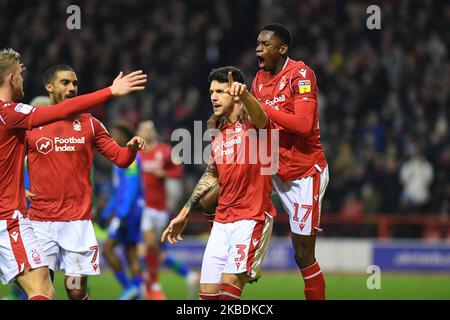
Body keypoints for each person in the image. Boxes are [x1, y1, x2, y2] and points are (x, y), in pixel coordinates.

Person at [0, 48, 147, 300]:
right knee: (41, 287)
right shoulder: (31, 125)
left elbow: (121, 159)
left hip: (77, 223)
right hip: (39, 223)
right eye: (65, 82)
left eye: (75, 83)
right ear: (49, 87)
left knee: (76, 291)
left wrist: (131, 150)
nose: (72, 88)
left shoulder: (90, 124)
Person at [162, 66, 275, 300]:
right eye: (211, 91)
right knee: (207, 296)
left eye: (221, 91)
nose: (213, 96)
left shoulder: (255, 124)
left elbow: (262, 117)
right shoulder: (217, 128)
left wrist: (244, 95)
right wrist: (184, 212)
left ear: (235, 93)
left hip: (251, 218)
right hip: (221, 223)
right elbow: (212, 174)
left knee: (228, 292)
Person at [251, 24, 329, 300]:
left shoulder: (301, 74)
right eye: (257, 43)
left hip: (304, 173)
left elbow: (304, 124)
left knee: (303, 254)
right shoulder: (259, 80)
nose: (258, 48)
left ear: (282, 48)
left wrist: (264, 109)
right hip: (273, 166)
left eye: (264, 44)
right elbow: (259, 124)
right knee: (226, 193)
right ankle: (246, 260)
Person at [137, 120, 199, 300]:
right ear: (139, 131)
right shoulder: (137, 153)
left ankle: (148, 285)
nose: (147, 132)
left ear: (153, 131)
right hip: (143, 207)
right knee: (148, 247)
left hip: (161, 208)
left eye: (150, 129)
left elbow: (178, 171)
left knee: (153, 250)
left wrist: (164, 174)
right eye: (144, 129)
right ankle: (151, 285)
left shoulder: (163, 151)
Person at [101, 122, 145, 300]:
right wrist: (106, 212)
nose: (112, 138)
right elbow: (118, 190)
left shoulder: (132, 158)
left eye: (116, 134)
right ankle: (138, 292)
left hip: (130, 212)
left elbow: (132, 188)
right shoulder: (118, 157)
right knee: (131, 252)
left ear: (124, 136)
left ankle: (129, 288)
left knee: (107, 249)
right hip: (129, 210)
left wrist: (122, 213)